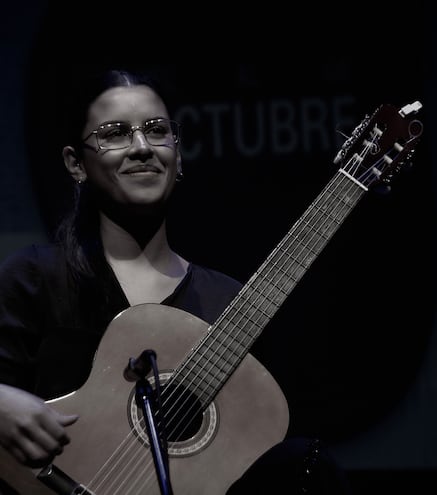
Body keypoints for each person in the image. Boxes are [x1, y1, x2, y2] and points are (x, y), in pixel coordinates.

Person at [0, 67, 351, 494]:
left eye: (156, 130)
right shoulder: (36, 278)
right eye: (115, 134)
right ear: (77, 164)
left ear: (178, 155)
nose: (143, 147)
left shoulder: (228, 305)